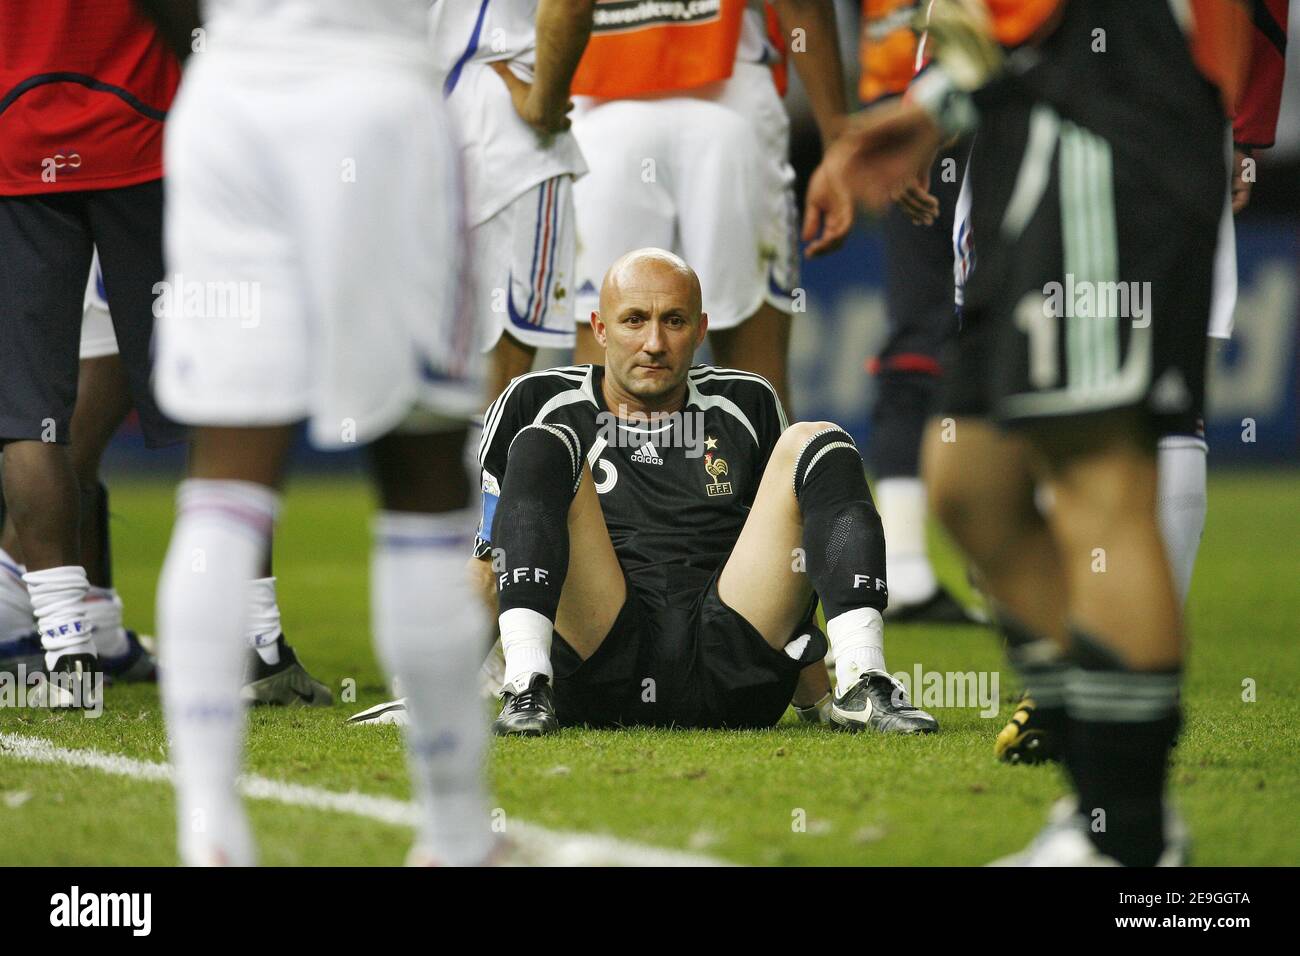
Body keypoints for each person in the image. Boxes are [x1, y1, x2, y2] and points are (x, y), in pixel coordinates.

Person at [826, 0, 1255, 864]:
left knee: (1105, 480)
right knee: (969, 482)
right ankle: (1104, 782)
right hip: (1019, 118)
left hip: (1107, 111)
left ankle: (1129, 837)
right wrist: (935, 104)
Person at [151, 0, 493, 865]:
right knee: (421, 475)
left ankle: (211, 834)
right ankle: (457, 838)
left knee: (224, 480)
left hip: (228, 93)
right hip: (372, 93)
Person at [474, 247, 935, 735]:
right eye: (634, 320)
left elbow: (792, 564)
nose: (654, 342)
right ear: (601, 329)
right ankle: (526, 686)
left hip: (732, 671)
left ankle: (864, 679)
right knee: (543, 443)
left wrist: (814, 700)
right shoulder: (537, 401)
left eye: (673, 321)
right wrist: (432, 690)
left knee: (819, 441)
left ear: (700, 330)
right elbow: (490, 564)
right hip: (598, 663)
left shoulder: (747, 401)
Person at [0, 0, 187, 707]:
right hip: (141, 131)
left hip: (17, 138)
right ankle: (253, 642)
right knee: (216, 405)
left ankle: (69, 655)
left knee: (28, 419)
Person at [568, 0, 854, 415]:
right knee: (756, 380)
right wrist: (837, 142)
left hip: (603, 106)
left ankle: (591, 477)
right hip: (729, 102)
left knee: (601, 377)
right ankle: (761, 478)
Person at [432, 0, 595, 404]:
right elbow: (570, 5)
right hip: (504, 120)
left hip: (422, 117)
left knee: (441, 379)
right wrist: (546, 103)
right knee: (500, 397)